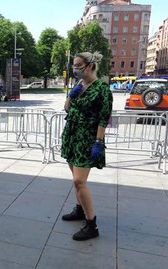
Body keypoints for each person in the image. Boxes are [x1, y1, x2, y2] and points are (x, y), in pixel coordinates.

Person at [61, 51, 113, 241]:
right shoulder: (79, 85)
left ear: (90, 66)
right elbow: (67, 108)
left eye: (77, 66)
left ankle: (92, 225)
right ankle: (80, 210)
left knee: (79, 181)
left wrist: (98, 142)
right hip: (73, 135)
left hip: (87, 139)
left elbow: (103, 117)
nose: (75, 69)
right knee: (74, 177)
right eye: (73, 66)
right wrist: (71, 96)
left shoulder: (101, 89)